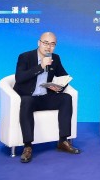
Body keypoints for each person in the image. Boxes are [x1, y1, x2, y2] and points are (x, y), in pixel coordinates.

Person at [13, 31, 80, 163]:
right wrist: (41, 66)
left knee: (66, 98)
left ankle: (63, 141)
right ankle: (27, 146)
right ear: (39, 43)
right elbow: (19, 78)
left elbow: (64, 76)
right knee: (26, 101)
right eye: (46, 43)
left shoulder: (55, 58)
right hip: (29, 97)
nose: (48, 47)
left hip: (45, 97)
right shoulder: (25, 57)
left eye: (52, 44)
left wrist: (59, 86)